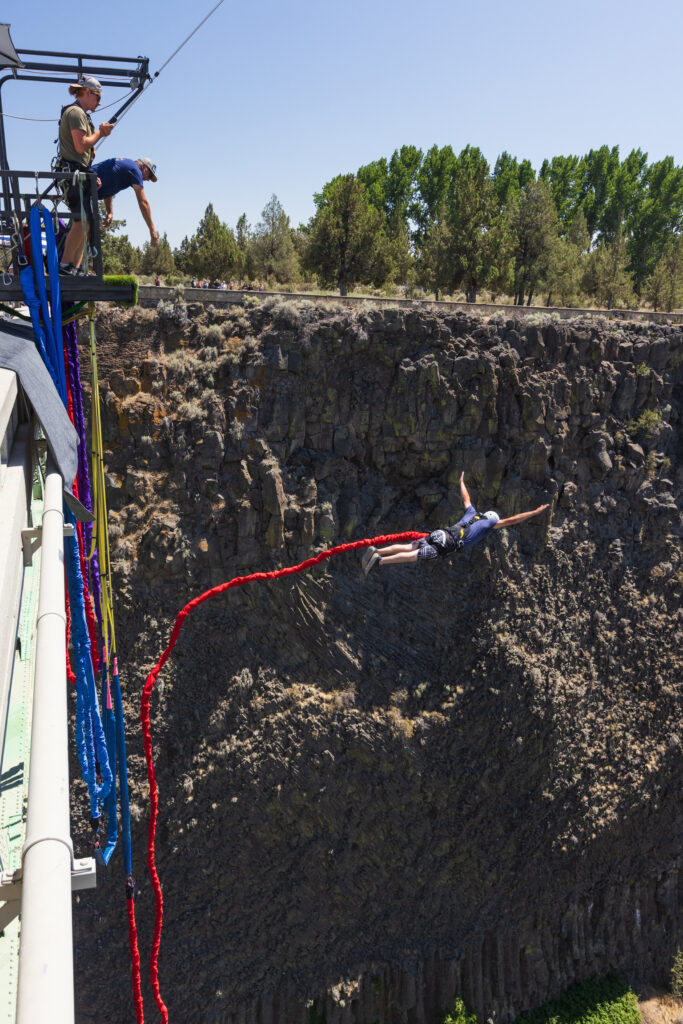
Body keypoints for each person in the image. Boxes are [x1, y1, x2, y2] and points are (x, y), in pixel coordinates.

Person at [362, 473, 549, 575]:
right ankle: (380, 561)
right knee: (413, 555)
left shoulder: (473, 513)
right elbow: (513, 520)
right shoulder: (490, 525)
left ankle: (378, 550)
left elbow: (465, 497)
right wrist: (534, 512)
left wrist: (461, 481)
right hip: (447, 544)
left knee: (409, 545)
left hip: (440, 533)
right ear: (493, 521)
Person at [57, 75, 114, 274]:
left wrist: (91, 174)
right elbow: (81, 146)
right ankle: (65, 265)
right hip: (73, 175)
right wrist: (100, 132)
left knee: (87, 223)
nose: (99, 103)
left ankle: (76, 266)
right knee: (83, 221)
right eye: (98, 98)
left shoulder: (80, 114)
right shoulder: (75, 113)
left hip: (80, 173)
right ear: (88, 92)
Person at [92, 157, 160, 250]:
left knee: (85, 230)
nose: (148, 179)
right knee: (86, 229)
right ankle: (68, 262)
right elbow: (143, 202)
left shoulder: (127, 168)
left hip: (85, 186)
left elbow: (108, 188)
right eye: (150, 175)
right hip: (83, 184)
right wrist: (152, 231)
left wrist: (110, 212)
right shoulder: (135, 170)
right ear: (143, 166)